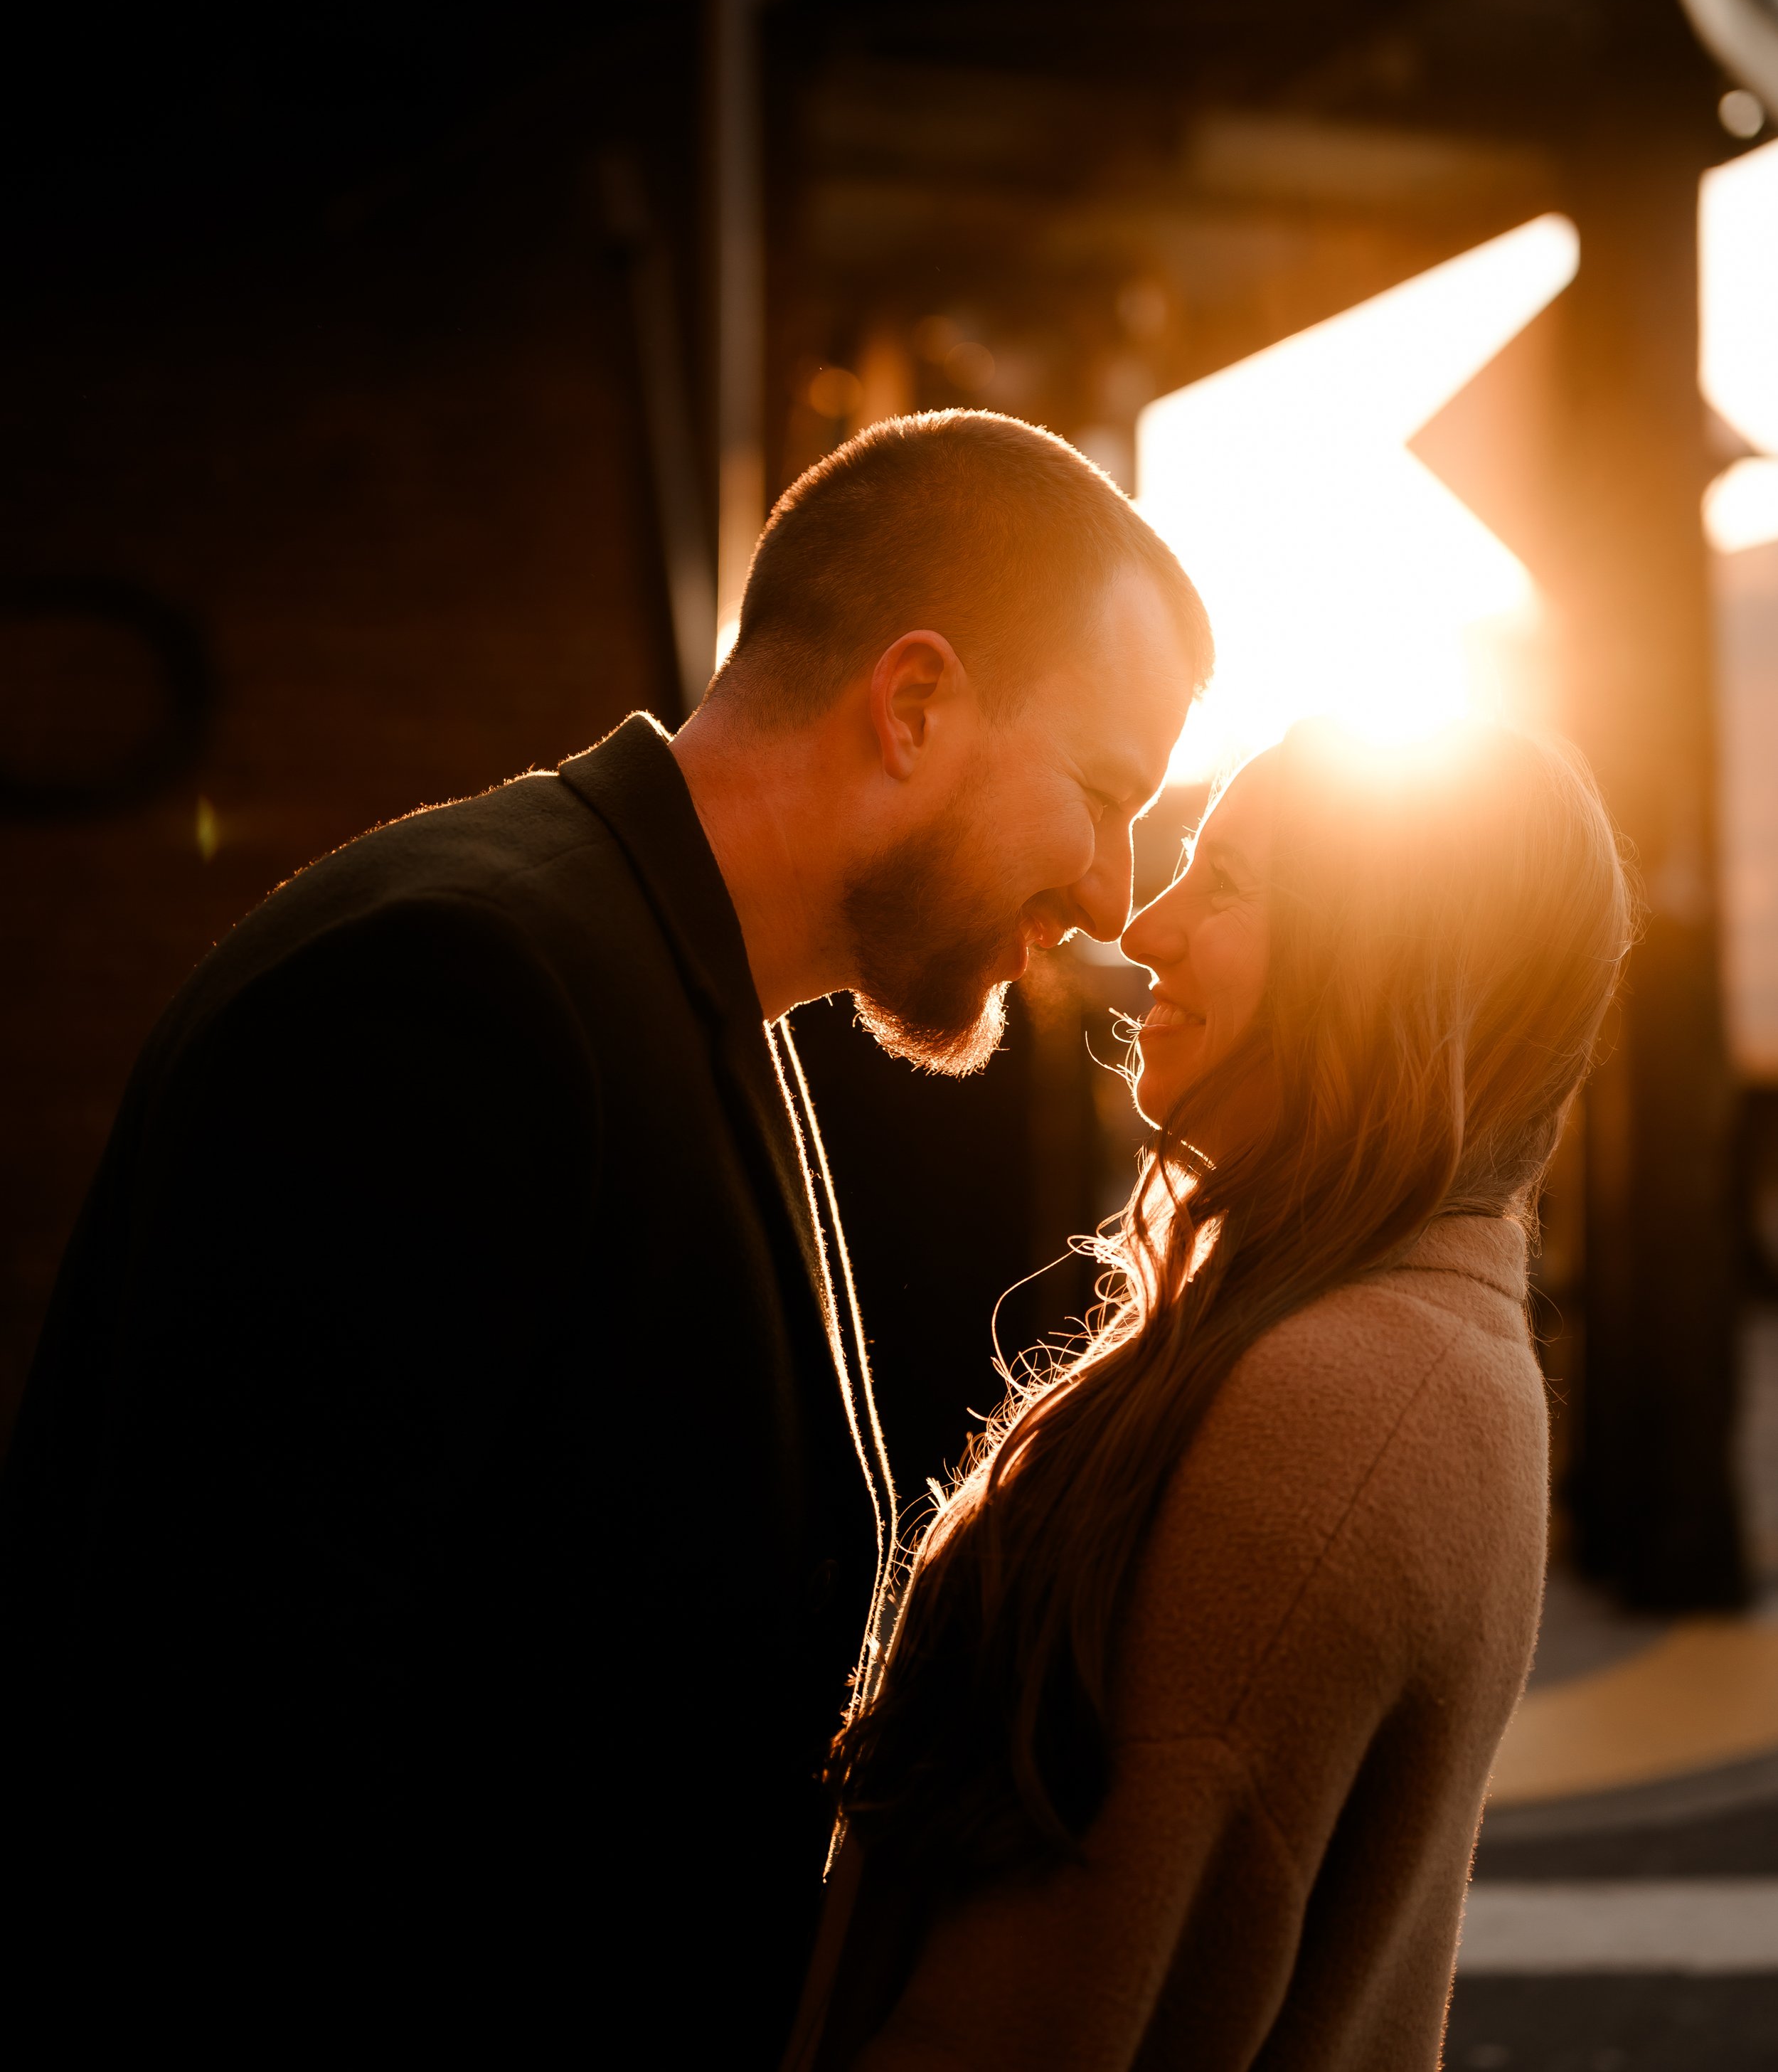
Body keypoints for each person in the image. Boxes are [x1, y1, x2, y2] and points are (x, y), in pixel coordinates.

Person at [0, 410, 1209, 2054]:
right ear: (911, 704)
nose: (1111, 891)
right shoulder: (458, 991)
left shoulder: (673, 984)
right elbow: (230, 1774)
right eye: (1102, 790)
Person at [795, 715, 1633, 2072]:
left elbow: (1048, 2010)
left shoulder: (1342, 1403)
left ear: (1388, 963)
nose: (1148, 925)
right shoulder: (1398, 1338)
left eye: (1228, 882)